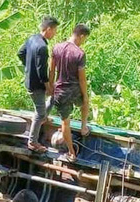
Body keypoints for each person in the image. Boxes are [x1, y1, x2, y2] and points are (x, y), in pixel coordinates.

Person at [49, 24, 91, 162]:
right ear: (81, 36)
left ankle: (71, 153)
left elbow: (52, 70)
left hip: (60, 90)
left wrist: (51, 86)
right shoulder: (79, 53)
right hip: (74, 90)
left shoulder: (56, 48)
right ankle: (84, 127)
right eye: (84, 39)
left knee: (65, 123)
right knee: (85, 102)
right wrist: (85, 95)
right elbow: (82, 79)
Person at [18, 16, 59, 153]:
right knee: (40, 113)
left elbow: (20, 53)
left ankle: (42, 119)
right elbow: (42, 72)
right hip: (36, 85)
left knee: (43, 107)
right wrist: (49, 87)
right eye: (54, 30)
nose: (55, 33)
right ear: (48, 29)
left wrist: (27, 66)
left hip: (29, 81)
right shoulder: (42, 47)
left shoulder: (32, 39)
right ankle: (32, 142)